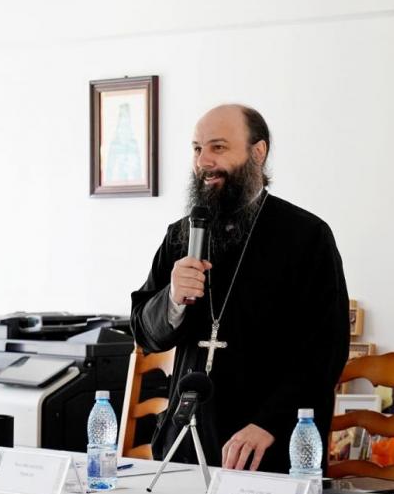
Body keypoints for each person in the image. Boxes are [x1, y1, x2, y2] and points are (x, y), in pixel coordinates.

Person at [130, 104, 350, 473]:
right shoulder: (181, 235)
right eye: (197, 148)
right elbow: (144, 331)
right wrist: (172, 299)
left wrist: (269, 424)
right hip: (184, 445)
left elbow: (325, 350)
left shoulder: (306, 236)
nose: (204, 161)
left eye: (218, 147)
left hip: (266, 448)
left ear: (257, 152)